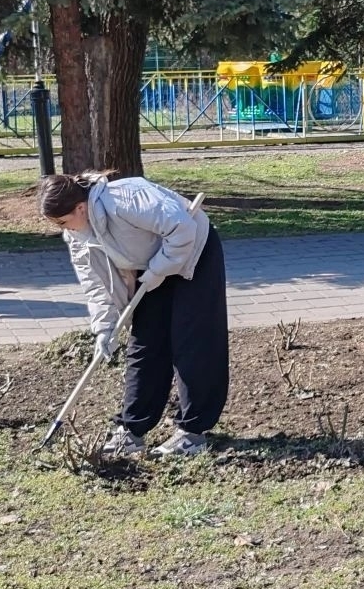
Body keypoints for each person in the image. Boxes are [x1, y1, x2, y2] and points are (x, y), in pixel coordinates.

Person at [38, 171, 229, 457]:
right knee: (145, 344)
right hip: (151, 268)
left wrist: (159, 270)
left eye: (63, 221)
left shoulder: (125, 198)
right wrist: (104, 328)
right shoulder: (77, 235)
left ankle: (193, 433)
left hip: (193, 253)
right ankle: (131, 430)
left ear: (80, 207)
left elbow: (182, 228)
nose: (64, 229)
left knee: (192, 342)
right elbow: (96, 285)